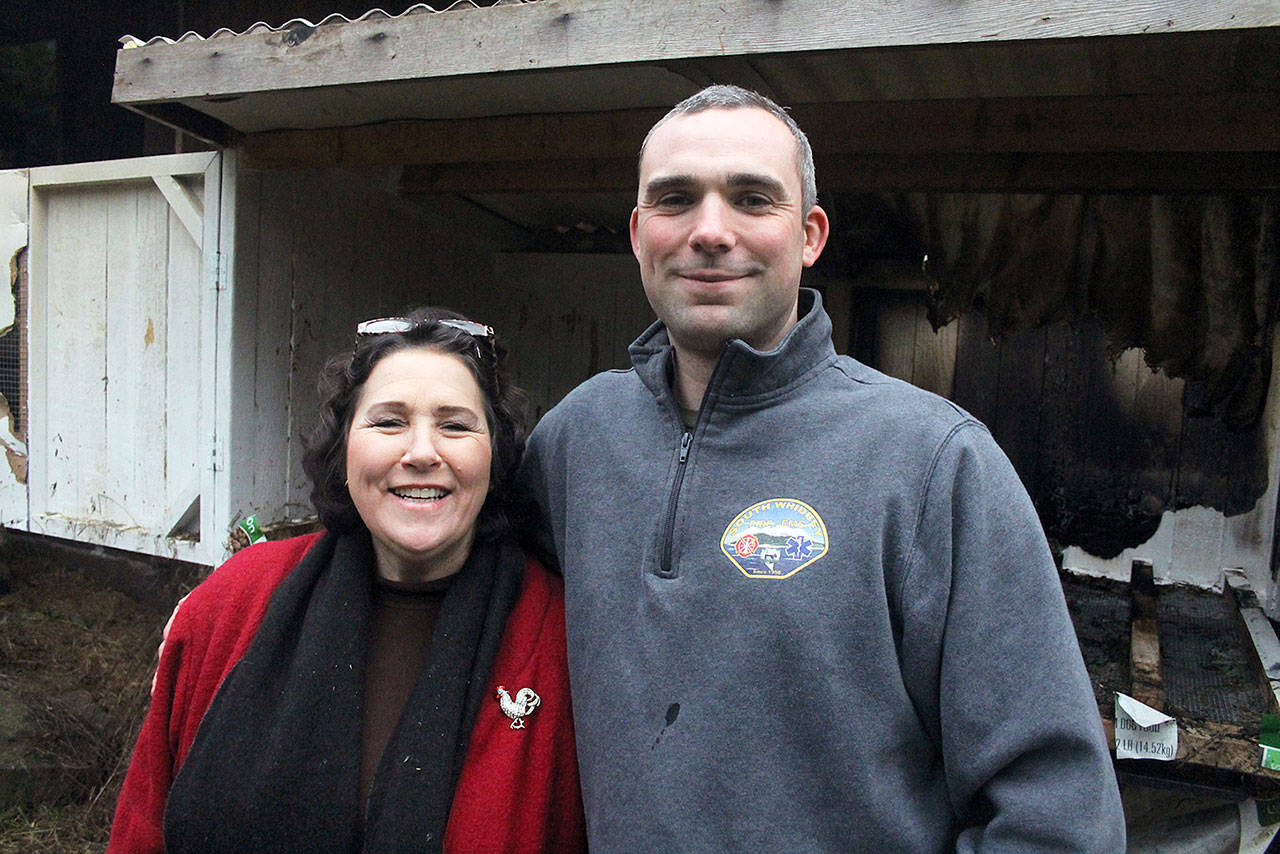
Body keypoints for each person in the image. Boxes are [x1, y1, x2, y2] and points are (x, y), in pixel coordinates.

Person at [517, 85, 1126, 850]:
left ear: (810, 235)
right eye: (676, 199)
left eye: (751, 199)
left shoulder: (934, 462)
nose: (710, 231)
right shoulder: (574, 441)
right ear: (639, 233)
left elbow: (1058, 818)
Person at [109, 308, 585, 853]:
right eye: (389, 422)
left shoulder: (562, 639)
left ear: (497, 455)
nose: (423, 453)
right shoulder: (233, 603)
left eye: (455, 425)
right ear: (344, 449)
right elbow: (142, 824)